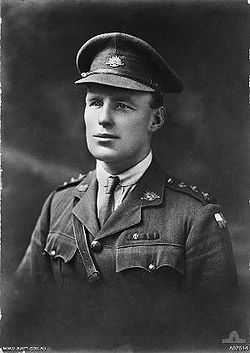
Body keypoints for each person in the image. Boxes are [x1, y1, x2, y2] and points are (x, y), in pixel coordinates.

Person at [4, 32, 239, 352]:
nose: (103, 118)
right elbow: (19, 322)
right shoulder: (58, 204)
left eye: (123, 106)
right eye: (95, 102)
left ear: (156, 119)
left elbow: (219, 340)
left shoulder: (195, 218)